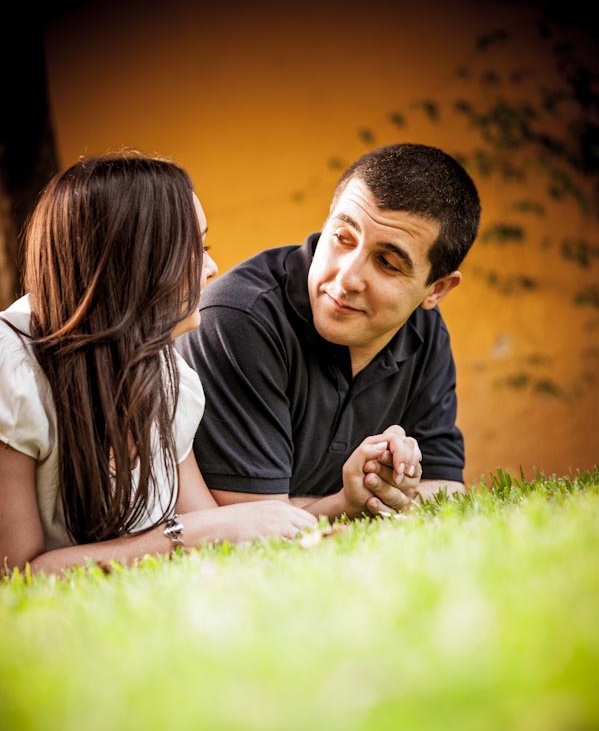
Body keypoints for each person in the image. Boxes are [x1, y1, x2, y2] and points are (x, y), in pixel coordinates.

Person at [0, 152, 318, 576]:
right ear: (133, 262)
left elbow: (213, 525)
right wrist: (179, 537)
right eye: (194, 249)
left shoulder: (168, 376)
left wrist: (346, 501)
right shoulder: (13, 369)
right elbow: (14, 573)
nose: (212, 267)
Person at [176, 143, 481, 519]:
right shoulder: (239, 318)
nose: (347, 278)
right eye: (342, 238)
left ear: (436, 290)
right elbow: (252, 526)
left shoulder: (422, 328)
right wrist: (361, 504)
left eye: (386, 263)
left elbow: (445, 489)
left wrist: (389, 483)